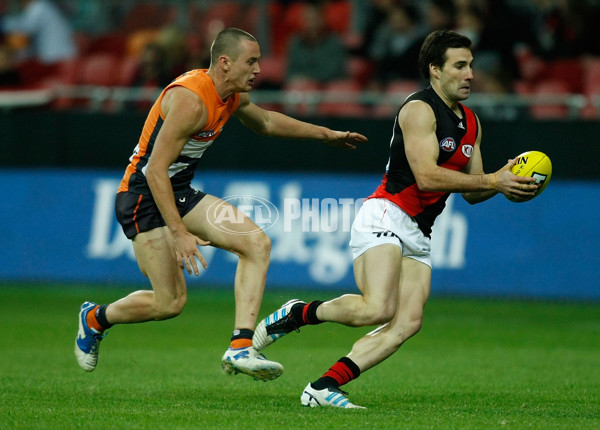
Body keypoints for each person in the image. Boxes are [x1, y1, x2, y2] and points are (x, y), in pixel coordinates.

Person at [253, 30, 539, 407]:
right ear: (435, 70)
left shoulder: (472, 122)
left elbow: (471, 193)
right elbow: (427, 175)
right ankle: (298, 313)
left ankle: (323, 388)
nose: (470, 73)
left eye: (470, 65)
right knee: (378, 308)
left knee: (407, 322)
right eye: (460, 65)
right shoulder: (418, 109)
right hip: (386, 213)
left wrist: (504, 183)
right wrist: (491, 179)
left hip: (419, 232)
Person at [74, 28, 367, 381]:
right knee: (170, 304)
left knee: (255, 242)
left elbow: (268, 122)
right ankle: (94, 318)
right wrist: (179, 232)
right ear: (225, 63)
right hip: (143, 196)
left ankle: (241, 346)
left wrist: (326, 134)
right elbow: (154, 171)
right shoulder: (191, 100)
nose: (259, 68)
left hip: (177, 189)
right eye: (252, 61)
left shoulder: (231, 96)